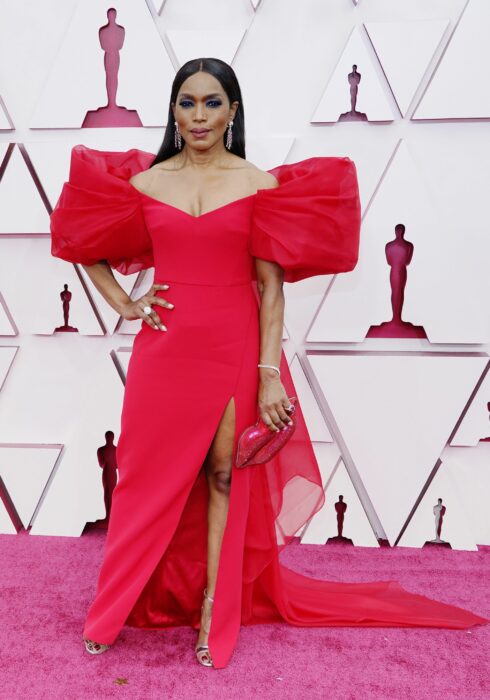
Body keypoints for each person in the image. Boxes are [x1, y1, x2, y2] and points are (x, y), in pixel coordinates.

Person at [50, 57, 488, 669]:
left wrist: (268, 373)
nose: (198, 115)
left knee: (226, 479)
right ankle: (111, 609)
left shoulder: (258, 184)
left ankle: (212, 612)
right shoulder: (148, 183)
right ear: (173, 113)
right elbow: (79, 236)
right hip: (165, 352)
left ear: (233, 111)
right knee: (142, 483)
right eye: (186, 102)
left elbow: (272, 290)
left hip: (233, 344)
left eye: (211, 102)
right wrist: (125, 302)